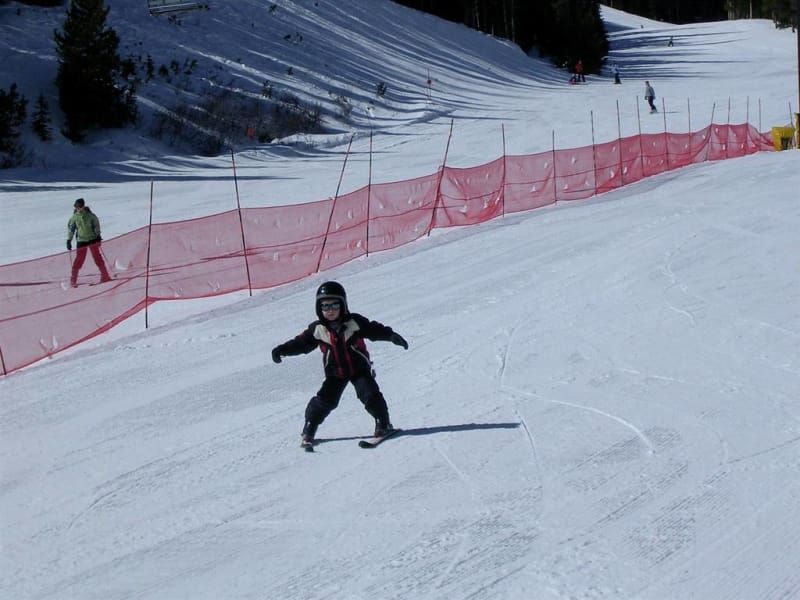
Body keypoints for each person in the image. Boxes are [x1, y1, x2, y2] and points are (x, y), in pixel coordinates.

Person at [271, 281, 409, 448]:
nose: (330, 310)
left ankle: (383, 423)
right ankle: (310, 427)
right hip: (335, 372)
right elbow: (301, 343)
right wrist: (282, 350)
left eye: (335, 305)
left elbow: (373, 329)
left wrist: (391, 336)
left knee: (369, 393)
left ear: (343, 305)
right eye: (325, 306)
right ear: (319, 309)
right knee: (324, 400)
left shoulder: (354, 322)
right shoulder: (318, 329)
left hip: (358, 368)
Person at [66, 198, 111, 286]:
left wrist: (98, 236)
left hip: (92, 239)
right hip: (81, 240)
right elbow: (71, 230)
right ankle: (73, 280)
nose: (79, 208)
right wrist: (69, 240)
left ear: (83, 206)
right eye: (77, 207)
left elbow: (96, 225)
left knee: (97, 257)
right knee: (79, 259)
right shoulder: (74, 218)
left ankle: (105, 275)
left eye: (80, 206)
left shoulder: (90, 215)